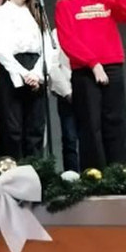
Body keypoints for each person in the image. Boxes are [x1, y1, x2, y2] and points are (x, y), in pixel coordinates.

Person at [55, 0, 126, 169]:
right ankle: (95, 174)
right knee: (91, 125)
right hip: (85, 71)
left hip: (113, 66)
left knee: (116, 122)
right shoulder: (65, 4)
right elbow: (68, 40)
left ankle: (121, 172)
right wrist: (93, 64)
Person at [0, 0, 54, 160]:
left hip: (35, 67)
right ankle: (11, 168)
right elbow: (0, 47)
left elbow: (48, 47)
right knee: (12, 127)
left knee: (35, 127)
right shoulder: (0, 13)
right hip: (10, 69)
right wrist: (23, 74)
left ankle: (35, 168)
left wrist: (37, 74)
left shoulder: (36, 13)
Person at [48, 28, 80, 172]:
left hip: (89, 89)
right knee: (69, 138)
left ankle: (93, 174)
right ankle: (72, 176)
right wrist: (67, 92)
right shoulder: (57, 32)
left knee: (93, 136)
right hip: (66, 92)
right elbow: (53, 65)